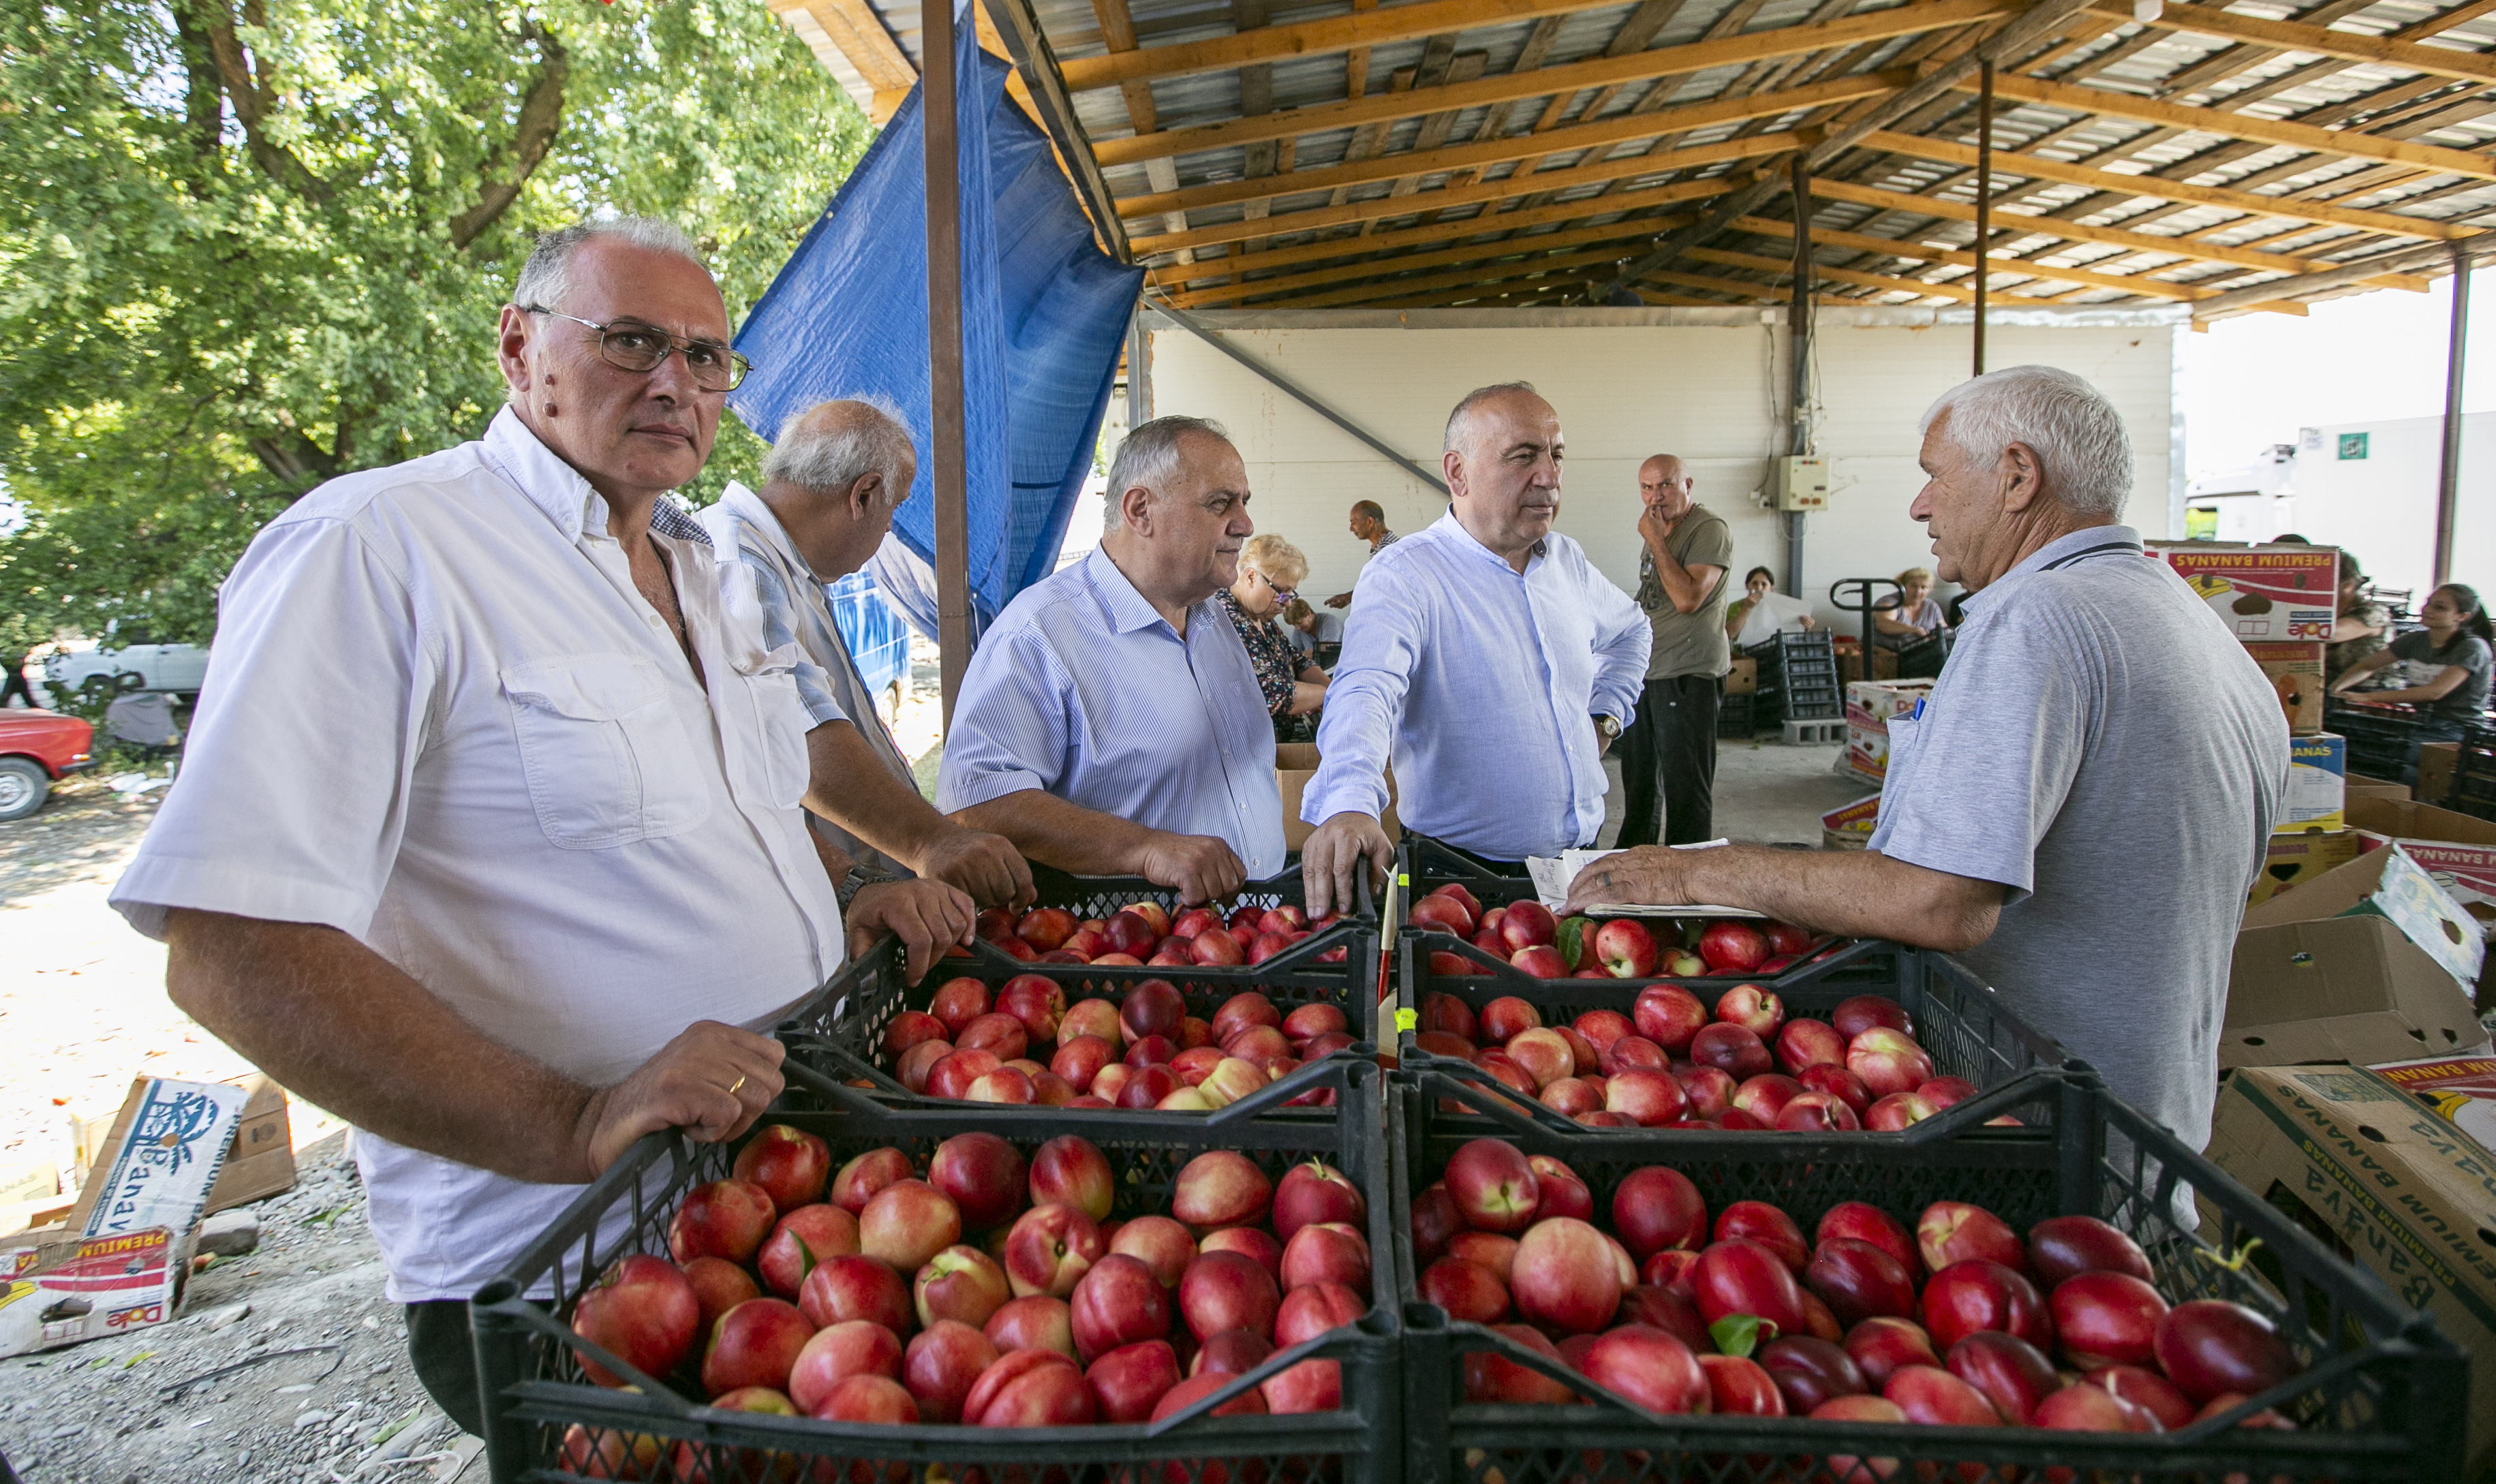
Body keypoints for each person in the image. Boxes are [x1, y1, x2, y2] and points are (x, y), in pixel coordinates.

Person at [104, 218, 972, 1436]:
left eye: (706, 356)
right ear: (519, 349)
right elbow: (231, 944)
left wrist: (838, 902)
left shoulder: (702, 569)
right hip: (573, 1260)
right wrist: (574, 1120)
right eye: (629, 340)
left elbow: (737, 808)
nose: (674, 382)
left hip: (764, 1194)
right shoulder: (379, 549)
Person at [1560, 365, 2286, 1159]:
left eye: (1936, 476)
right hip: (2148, 1126)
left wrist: (1700, 871)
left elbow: (1939, 900)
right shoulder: (2190, 621)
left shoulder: (2035, 621)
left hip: (2026, 1125)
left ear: (2017, 477)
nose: (1919, 504)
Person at [1300, 382, 1648, 913]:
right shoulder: (1407, 575)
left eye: (1556, 455)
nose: (1549, 476)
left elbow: (1631, 632)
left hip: (1580, 863)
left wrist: (1605, 717)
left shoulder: (1565, 562)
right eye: (1523, 456)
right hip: (1462, 883)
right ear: (1457, 472)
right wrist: (1349, 801)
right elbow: (1365, 688)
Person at [700, 397, 1033, 918]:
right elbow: (796, 735)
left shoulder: (783, 565)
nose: (889, 529)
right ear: (864, 495)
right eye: (894, 507)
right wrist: (932, 842)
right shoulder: (737, 564)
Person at [939, 416, 1284, 903]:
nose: (1245, 524)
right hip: (1138, 945)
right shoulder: (1039, 634)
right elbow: (976, 806)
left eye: (1244, 502)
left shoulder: (1212, 616)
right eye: (1219, 503)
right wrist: (1144, 848)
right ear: (1140, 510)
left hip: (1260, 930)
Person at [1616, 454, 1731, 848]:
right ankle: (1637, 861)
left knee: (1686, 788)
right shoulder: (1661, 528)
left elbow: (1687, 599)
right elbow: (1652, 595)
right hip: (1649, 670)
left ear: (1688, 485)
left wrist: (1656, 541)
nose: (1656, 496)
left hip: (1687, 671)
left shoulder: (1708, 529)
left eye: (1665, 484)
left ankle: (1689, 868)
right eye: (1647, 487)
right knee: (1639, 781)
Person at [2329, 583, 2495, 783]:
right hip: (2418, 722)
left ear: (2462, 616)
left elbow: (2434, 692)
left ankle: (2435, 791)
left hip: (2456, 730)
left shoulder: (2472, 647)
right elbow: (2368, 666)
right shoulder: (2416, 640)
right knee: (2357, 747)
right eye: (2428, 603)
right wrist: (2334, 689)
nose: (2428, 609)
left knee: (2386, 760)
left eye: (2440, 607)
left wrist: (2364, 697)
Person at [1220, 533, 1329, 742]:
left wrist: (1332, 688)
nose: (1287, 602)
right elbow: (1273, 692)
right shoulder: (1227, 619)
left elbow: (1296, 659)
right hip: (1247, 745)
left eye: (1291, 593)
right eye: (1282, 591)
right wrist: (1333, 695)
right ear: (1251, 577)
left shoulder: (1262, 616)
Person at [2324, 548, 2392, 685]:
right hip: (2327, 687)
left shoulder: (2373, 612)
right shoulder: (2326, 610)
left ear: (2347, 585)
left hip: (2370, 690)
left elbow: (2329, 633)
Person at [1321, 499, 1398, 610]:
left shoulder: (1386, 549)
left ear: (1370, 522)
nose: (1351, 528)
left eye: (1354, 522)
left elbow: (1380, 586)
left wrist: (1349, 597)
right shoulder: (1380, 546)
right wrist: (1349, 597)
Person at [1727, 566, 1818, 647]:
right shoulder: (1736, 606)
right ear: (1747, 586)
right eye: (1754, 583)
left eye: (1764, 584)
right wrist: (1746, 608)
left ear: (1771, 588)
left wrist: (1805, 628)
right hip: (1745, 656)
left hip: (1775, 653)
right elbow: (1730, 633)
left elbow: (1791, 637)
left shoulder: (1781, 606)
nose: (1759, 588)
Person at [1873, 566, 1950, 651]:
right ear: (1903, 586)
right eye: (1914, 586)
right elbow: (1883, 624)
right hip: (1887, 653)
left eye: (1923, 587)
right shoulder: (1889, 602)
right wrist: (1912, 630)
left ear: (1929, 590)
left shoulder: (1932, 606)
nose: (1918, 591)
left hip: (1921, 653)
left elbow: (1944, 631)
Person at [1281, 597, 1343, 668]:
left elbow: (1328, 647)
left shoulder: (1330, 621)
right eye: (1294, 625)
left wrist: (1297, 657)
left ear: (1309, 614)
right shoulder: (1298, 631)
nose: (1297, 628)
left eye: (1299, 622)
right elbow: (1295, 654)